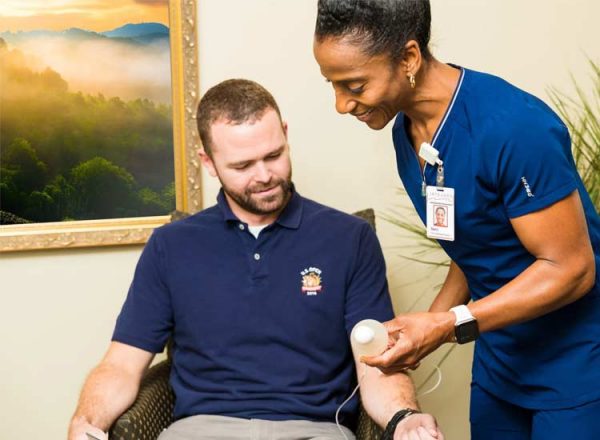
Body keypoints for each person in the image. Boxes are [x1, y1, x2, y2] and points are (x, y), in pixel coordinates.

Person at [68, 79, 444, 440]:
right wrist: (85, 424)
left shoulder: (350, 239)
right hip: (201, 430)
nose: (265, 176)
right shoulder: (171, 246)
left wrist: (404, 419)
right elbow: (120, 365)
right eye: (243, 166)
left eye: (274, 155)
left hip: (314, 429)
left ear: (284, 132)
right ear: (209, 161)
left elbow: (377, 365)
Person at [313, 1, 600, 438]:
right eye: (331, 85)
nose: (339, 104)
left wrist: (447, 325)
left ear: (408, 58)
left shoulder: (514, 128)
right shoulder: (405, 130)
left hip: (577, 363)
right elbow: (474, 247)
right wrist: (421, 332)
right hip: (501, 359)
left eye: (353, 84)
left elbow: (572, 269)